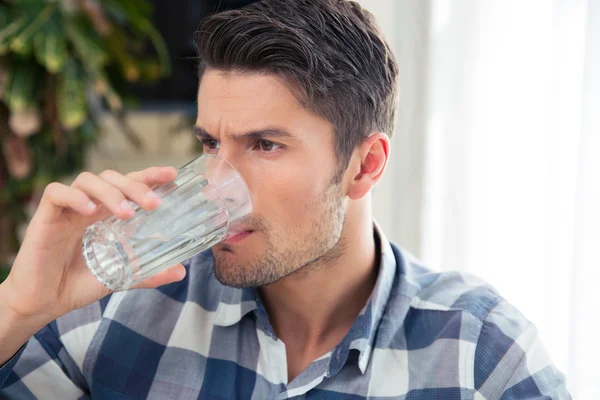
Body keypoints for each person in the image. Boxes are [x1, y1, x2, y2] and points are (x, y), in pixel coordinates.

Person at [0, 0, 571, 398]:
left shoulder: (478, 353)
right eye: (209, 143)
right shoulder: (123, 307)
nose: (217, 183)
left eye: (265, 145)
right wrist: (18, 309)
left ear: (364, 166)